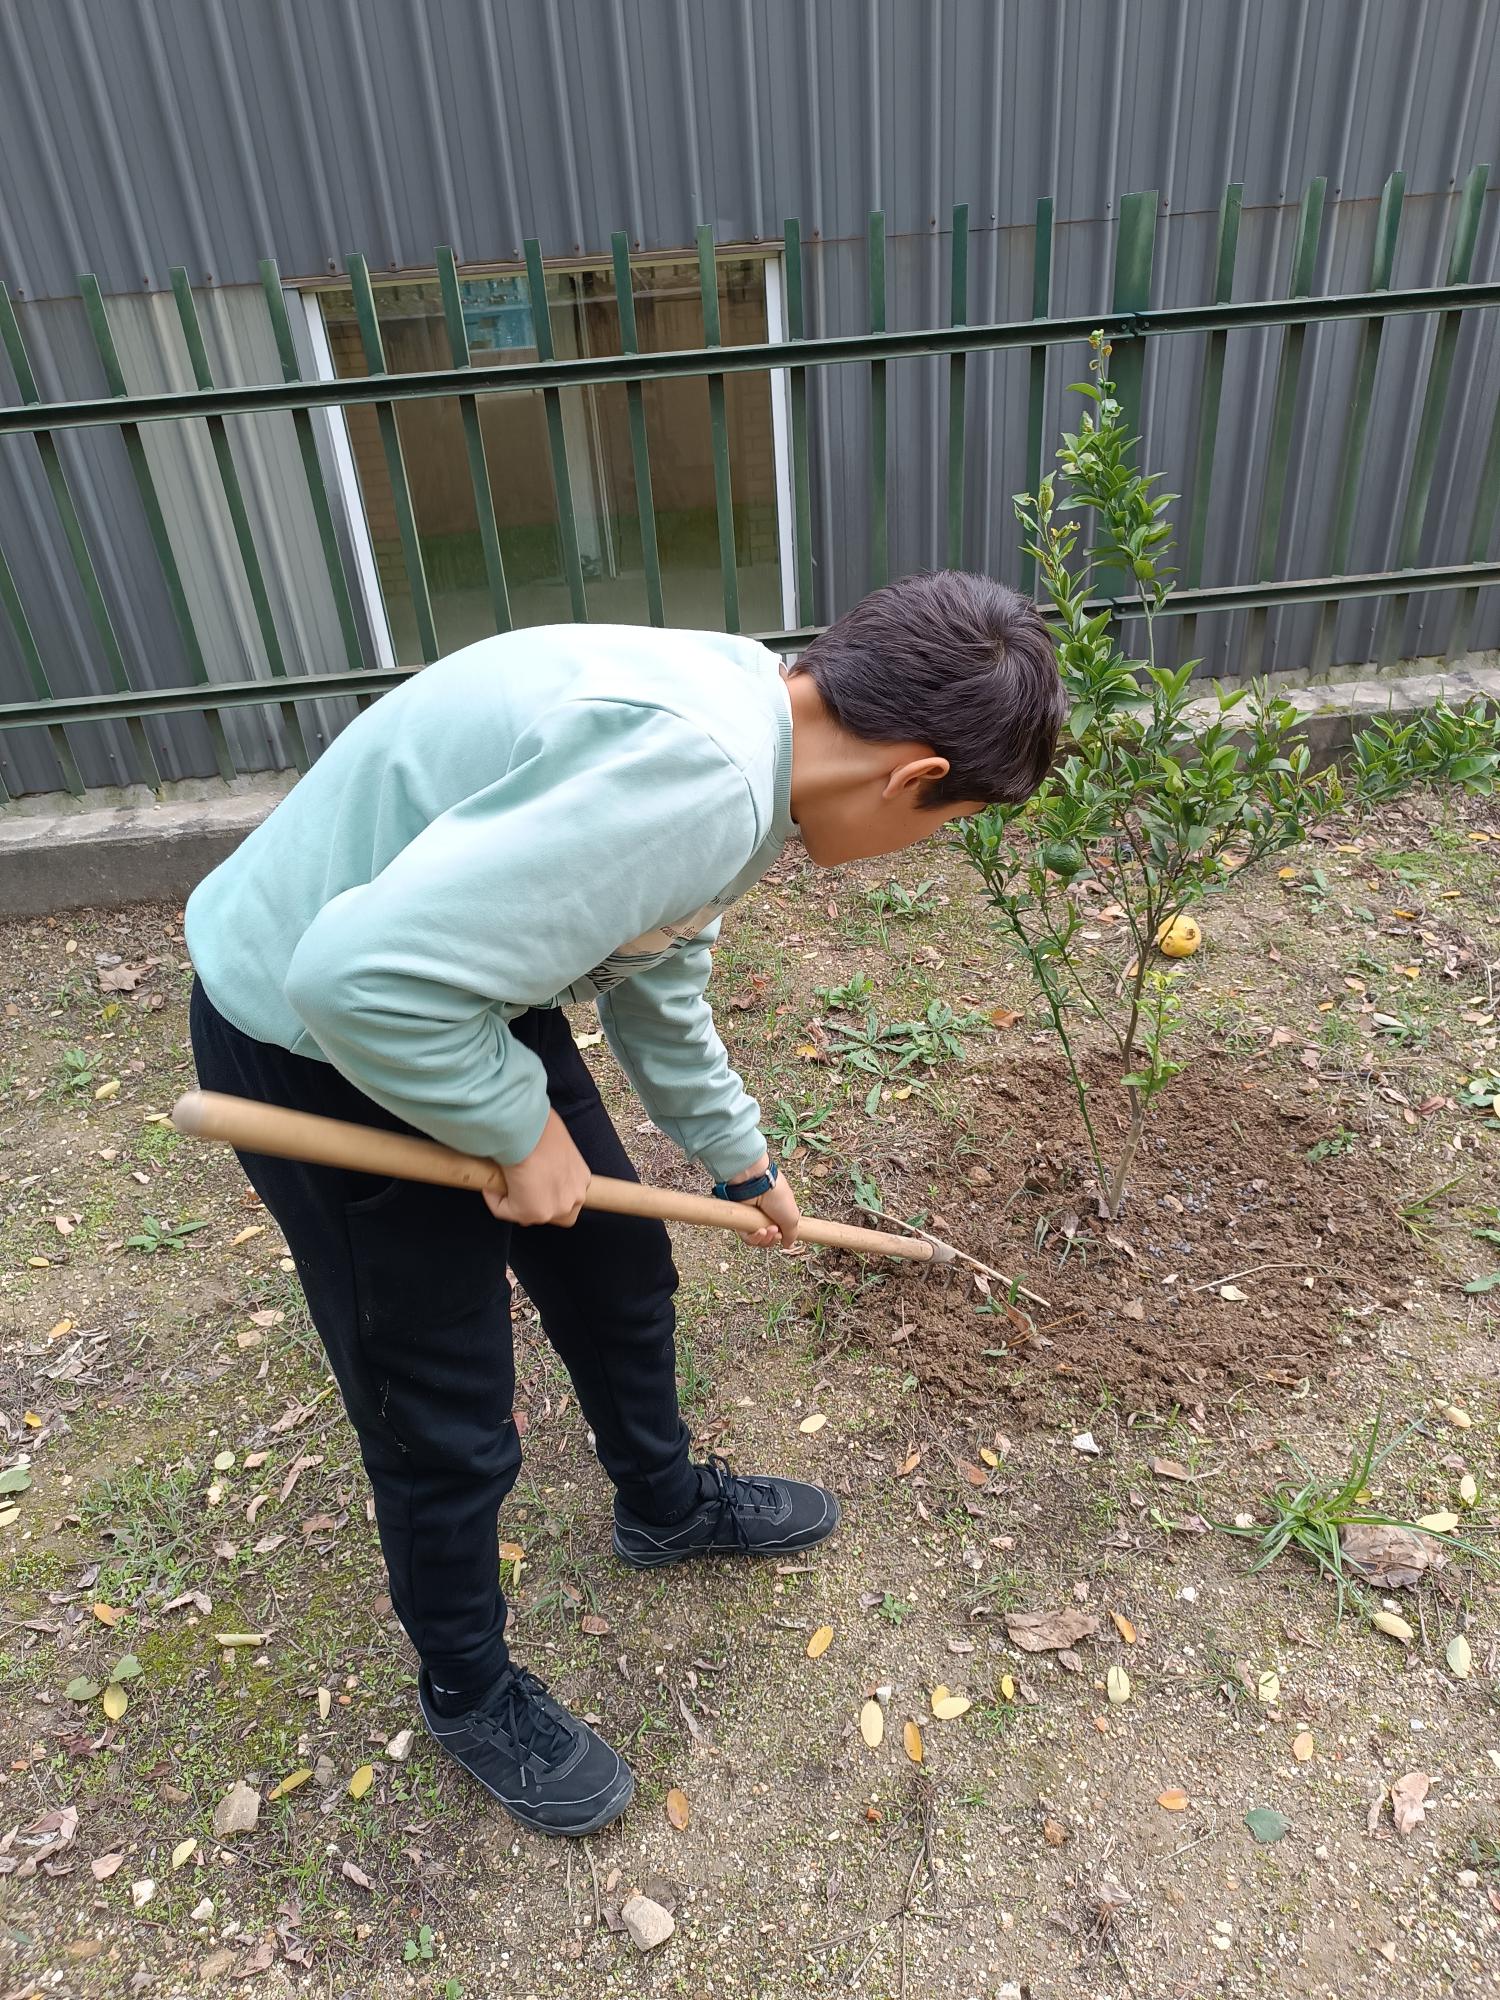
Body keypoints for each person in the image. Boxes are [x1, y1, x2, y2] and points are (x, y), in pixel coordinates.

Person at [185, 570, 1063, 1837]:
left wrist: (738, 1158)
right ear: (914, 776)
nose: (920, 847)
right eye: (949, 822)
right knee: (443, 1407)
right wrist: (516, 1125)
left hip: (451, 986)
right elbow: (354, 976)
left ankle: (662, 1503)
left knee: (618, 1269)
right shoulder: (698, 773)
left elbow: (658, 964)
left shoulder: (759, 723)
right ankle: (468, 1688)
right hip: (327, 1036)